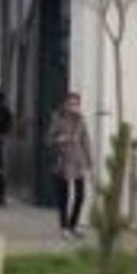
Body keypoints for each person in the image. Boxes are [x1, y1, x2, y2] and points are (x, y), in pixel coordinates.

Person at [47, 92, 92, 238]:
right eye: (72, 103)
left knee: (80, 195)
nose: (74, 107)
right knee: (64, 196)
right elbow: (48, 139)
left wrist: (89, 162)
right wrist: (60, 139)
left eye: (77, 104)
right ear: (65, 104)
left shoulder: (81, 121)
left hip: (78, 161)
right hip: (62, 160)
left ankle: (73, 225)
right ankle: (64, 227)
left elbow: (86, 141)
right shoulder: (58, 119)